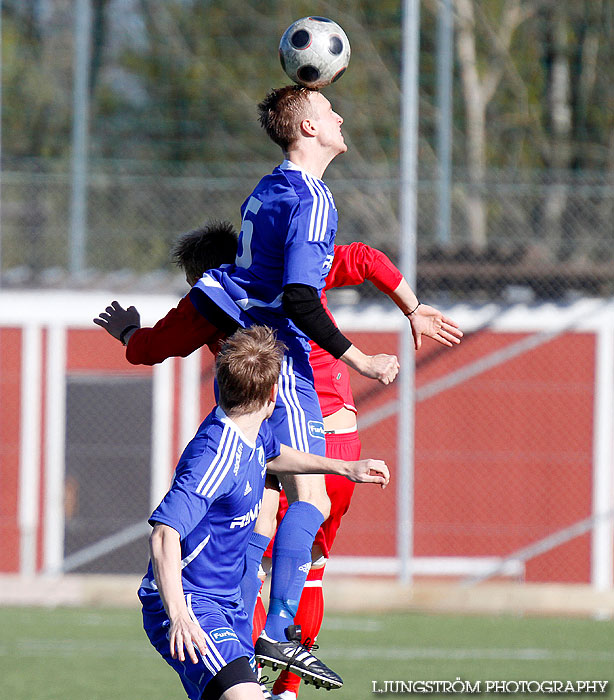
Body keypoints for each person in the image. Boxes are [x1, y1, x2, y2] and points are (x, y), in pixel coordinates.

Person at [95, 220, 462, 698]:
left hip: (281, 422)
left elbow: (150, 348)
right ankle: (281, 684)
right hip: (333, 434)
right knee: (303, 561)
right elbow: (368, 259)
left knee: (259, 542)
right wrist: (411, 309)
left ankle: (268, 651)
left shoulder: (210, 297)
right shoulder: (293, 265)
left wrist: (127, 333)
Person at [186, 86, 400, 683]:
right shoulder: (311, 197)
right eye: (329, 110)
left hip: (261, 352)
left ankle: (255, 629)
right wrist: (361, 360)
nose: (339, 115)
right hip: (286, 362)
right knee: (310, 499)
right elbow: (303, 299)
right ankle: (276, 633)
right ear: (307, 128)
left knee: (273, 506)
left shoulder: (269, 187)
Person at [138, 325, 390, 700]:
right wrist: (179, 615)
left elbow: (276, 456)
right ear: (274, 397)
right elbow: (163, 534)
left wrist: (343, 468)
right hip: (192, 603)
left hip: (228, 604)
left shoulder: (252, 430)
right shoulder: (213, 457)